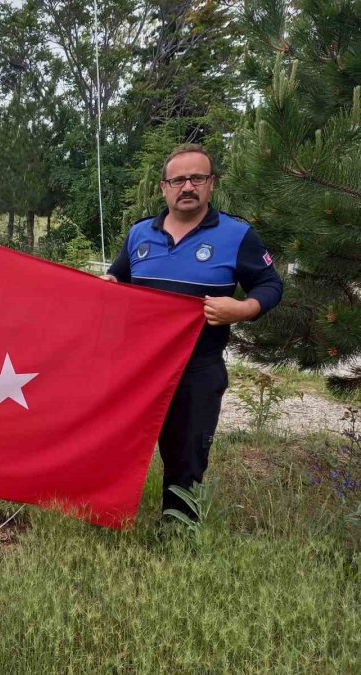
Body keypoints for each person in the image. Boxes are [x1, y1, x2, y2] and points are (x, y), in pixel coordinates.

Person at [102, 143, 283, 516]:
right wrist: (106, 282)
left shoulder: (236, 234)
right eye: (179, 179)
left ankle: (178, 529)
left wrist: (244, 308)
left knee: (186, 454)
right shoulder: (140, 235)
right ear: (163, 187)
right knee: (116, 442)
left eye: (197, 178)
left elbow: (271, 285)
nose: (188, 187)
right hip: (139, 366)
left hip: (197, 367)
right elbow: (118, 278)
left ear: (211, 184)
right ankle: (108, 512)